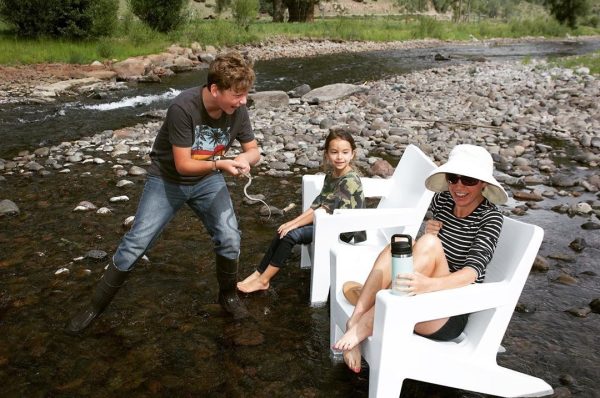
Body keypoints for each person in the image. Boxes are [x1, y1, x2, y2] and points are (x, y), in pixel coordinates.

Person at [66, 51, 260, 333]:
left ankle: (228, 296)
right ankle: (94, 308)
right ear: (215, 89)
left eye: (245, 94)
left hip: (208, 179)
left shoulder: (237, 110)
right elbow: (183, 165)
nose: (243, 101)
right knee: (135, 243)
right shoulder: (184, 107)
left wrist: (245, 159)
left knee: (230, 237)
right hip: (168, 180)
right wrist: (221, 163)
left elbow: (254, 150)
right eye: (237, 94)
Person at [333, 144, 508, 373]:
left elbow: (472, 272)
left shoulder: (490, 218)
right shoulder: (443, 200)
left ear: (483, 183)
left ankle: (365, 323)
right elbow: (427, 255)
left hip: (447, 314)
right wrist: (430, 235)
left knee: (427, 243)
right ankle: (354, 321)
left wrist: (429, 283)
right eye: (453, 178)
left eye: (469, 180)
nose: (459, 186)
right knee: (399, 243)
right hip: (414, 297)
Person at [237, 130, 367, 294]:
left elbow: (324, 209)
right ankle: (258, 273)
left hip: (344, 231)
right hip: (327, 221)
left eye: (345, 152)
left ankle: (264, 281)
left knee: (291, 235)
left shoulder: (350, 180)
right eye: (334, 152)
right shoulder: (331, 174)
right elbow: (318, 204)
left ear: (352, 154)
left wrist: (294, 226)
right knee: (283, 230)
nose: (339, 157)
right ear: (327, 154)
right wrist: (290, 223)